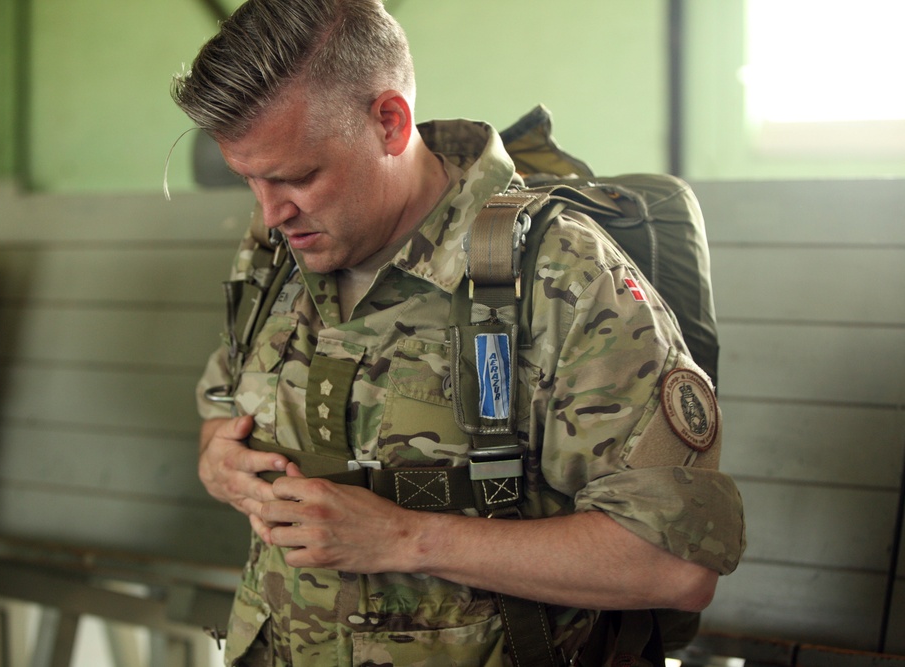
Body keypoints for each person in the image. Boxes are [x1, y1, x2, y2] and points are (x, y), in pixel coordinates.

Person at [170, 1, 745, 665]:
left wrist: (407, 539)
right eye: (250, 180)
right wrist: (221, 463)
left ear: (389, 122)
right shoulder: (278, 252)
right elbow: (221, 415)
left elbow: (675, 566)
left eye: (297, 176)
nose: (270, 212)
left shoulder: (560, 276)